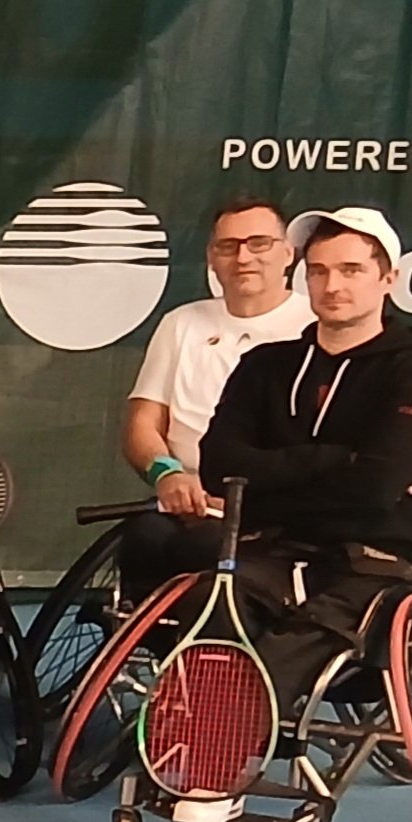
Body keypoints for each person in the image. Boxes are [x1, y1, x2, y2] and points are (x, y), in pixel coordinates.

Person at [198, 207, 412, 699]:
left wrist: (267, 489)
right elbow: (219, 469)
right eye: (318, 271)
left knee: (263, 675)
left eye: (351, 270)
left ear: (388, 279)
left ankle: (222, 742)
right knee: (205, 609)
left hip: (372, 565)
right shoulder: (263, 366)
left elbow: (376, 489)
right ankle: (199, 738)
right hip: (270, 554)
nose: (332, 285)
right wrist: (333, 460)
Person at [117, 196, 308, 591]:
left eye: (259, 243)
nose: (243, 257)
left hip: (272, 520)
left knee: (203, 548)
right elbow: (142, 424)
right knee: (143, 539)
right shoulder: (180, 323)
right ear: (211, 257)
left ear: (288, 253)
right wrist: (167, 474)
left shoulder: (314, 327)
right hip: (183, 509)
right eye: (228, 246)